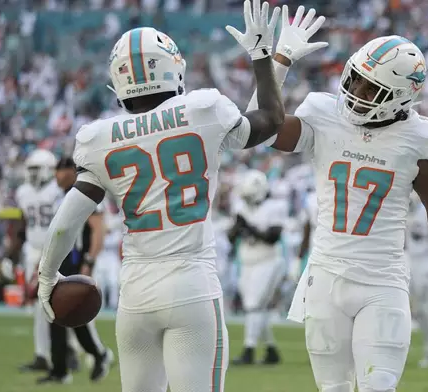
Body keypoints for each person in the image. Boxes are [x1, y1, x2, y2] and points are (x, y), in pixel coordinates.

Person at [36, 1, 286, 390]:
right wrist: (263, 57)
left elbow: (64, 223)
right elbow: (271, 122)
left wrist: (47, 277)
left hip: (136, 293)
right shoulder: (205, 109)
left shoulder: (98, 139)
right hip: (192, 284)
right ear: (174, 68)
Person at [246, 8, 428, 391]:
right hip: (324, 277)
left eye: (371, 89)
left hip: (381, 281)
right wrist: (278, 60)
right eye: (356, 80)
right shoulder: (324, 114)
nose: (357, 93)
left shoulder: (419, 137)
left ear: (402, 96)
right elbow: (258, 129)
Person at [37, 156, 113, 385]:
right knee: (57, 313)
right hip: (62, 260)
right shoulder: (60, 196)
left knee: (74, 313)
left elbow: (98, 229)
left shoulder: (86, 190)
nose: (57, 175)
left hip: (78, 261)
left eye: (61, 170)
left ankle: (98, 354)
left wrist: (89, 261)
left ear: (72, 170)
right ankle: (61, 368)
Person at [5, 149, 79, 373]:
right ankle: (43, 354)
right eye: (31, 169)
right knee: (40, 307)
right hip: (34, 251)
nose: (33, 174)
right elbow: (23, 224)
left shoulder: (59, 192)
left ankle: (70, 350)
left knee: (67, 303)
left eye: (37, 169)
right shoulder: (24, 192)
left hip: (57, 251)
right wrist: (12, 255)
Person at [229, 169, 286, 365]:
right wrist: (238, 226)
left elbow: (273, 237)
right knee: (254, 308)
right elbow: (231, 237)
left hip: (268, 261)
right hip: (247, 262)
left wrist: (249, 226)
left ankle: (249, 350)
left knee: (254, 305)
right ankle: (271, 350)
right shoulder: (241, 207)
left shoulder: (275, 206)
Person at [406, 195, 428, 368]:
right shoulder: (401, 210)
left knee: (423, 309)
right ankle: (399, 346)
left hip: (426, 262)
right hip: (407, 261)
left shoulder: (427, 212)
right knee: (399, 306)